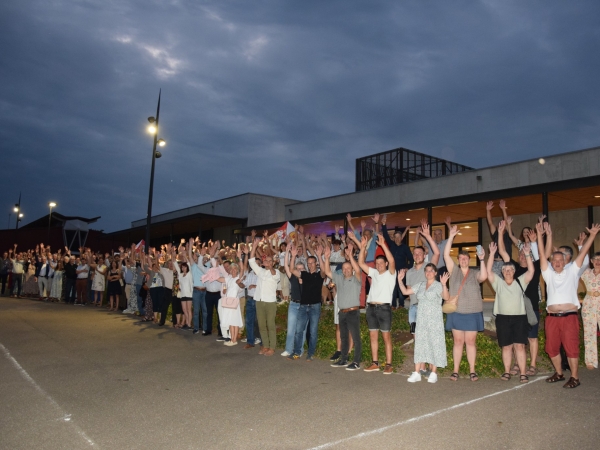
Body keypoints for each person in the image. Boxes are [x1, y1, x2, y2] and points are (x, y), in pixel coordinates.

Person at [538, 221, 600, 388]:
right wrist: (541, 235)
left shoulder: (572, 271)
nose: (557, 262)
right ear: (551, 262)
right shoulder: (548, 274)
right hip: (552, 318)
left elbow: (584, 253)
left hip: (569, 317)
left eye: (561, 259)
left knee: (571, 347)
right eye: (555, 260)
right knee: (551, 348)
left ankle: (575, 377)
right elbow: (542, 256)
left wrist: (592, 235)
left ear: (566, 261)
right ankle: (559, 373)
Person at [497, 220, 542, 376]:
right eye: (521, 253)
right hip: (518, 310)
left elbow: (541, 254)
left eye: (525, 254)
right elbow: (503, 252)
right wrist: (501, 233)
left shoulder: (534, 268)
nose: (522, 256)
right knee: (519, 339)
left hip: (532, 307)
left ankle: (533, 364)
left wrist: (538, 240)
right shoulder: (513, 269)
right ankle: (517, 363)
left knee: (532, 338)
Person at [487, 239, 535, 383]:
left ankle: (522, 373)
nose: (507, 272)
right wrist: (491, 254)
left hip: (519, 318)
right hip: (502, 318)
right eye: (505, 270)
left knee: (519, 346)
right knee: (506, 346)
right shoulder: (498, 283)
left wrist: (527, 255)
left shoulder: (521, 281)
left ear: (514, 272)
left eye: (510, 270)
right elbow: (488, 271)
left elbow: (531, 270)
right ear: (502, 272)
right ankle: (507, 372)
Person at [444, 225, 488, 382]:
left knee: (470, 342)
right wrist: (451, 237)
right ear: (458, 260)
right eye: (461, 258)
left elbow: (484, 276)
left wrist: (482, 259)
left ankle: (472, 370)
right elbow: (445, 255)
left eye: (466, 258)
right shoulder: (454, 271)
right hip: (457, 311)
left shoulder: (475, 273)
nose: (463, 260)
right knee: (457, 342)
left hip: (472, 312)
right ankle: (455, 371)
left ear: (470, 260)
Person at [398, 266, 450, 383]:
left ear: (435, 273)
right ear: (425, 273)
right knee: (420, 344)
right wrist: (400, 281)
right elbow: (405, 291)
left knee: (434, 344)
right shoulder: (421, 285)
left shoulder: (438, 285)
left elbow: (446, 297)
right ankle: (416, 372)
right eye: (427, 271)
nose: (429, 273)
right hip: (421, 320)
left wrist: (444, 284)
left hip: (434, 320)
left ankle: (434, 373)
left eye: (432, 270)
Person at [356, 232, 396, 374]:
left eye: (381, 263)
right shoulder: (373, 272)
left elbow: (392, 261)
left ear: (385, 264)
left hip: (384, 308)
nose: (378, 265)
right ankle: (375, 363)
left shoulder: (391, 274)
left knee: (386, 336)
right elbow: (361, 263)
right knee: (373, 335)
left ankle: (389, 364)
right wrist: (362, 248)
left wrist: (383, 245)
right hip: (371, 307)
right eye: (377, 263)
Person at [322, 243, 362, 370]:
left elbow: (359, 270)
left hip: (353, 312)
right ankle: (344, 359)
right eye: (344, 268)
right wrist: (327, 257)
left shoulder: (356, 279)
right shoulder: (339, 279)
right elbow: (328, 271)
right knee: (344, 337)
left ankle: (356, 362)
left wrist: (350, 256)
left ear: (352, 269)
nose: (346, 270)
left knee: (355, 337)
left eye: (348, 268)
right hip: (342, 312)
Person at [287, 242, 325, 362]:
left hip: (315, 306)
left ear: (316, 264)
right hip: (303, 306)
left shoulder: (319, 275)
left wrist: (319, 256)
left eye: (312, 263)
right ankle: (297, 352)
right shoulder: (304, 274)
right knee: (299, 331)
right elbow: (292, 269)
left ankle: (310, 354)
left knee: (313, 332)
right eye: (308, 263)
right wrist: (293, 256)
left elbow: (324, 270)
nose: (310, 265)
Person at [405, 220, 440, 335]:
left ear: (424, 255)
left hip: (427, 307)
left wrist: (428, 236)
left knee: (428, 335)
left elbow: (437, 253)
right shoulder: (409, 272)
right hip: (414, 308)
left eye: (420, 253)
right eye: (415, 254)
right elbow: (409, 292)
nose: (417, 255)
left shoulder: (428, 266)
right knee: (416, 336)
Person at [249, 235, 280, 356]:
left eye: (269, 261)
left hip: (270, 302)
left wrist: (270, 266)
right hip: (259, 301)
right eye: (265, 260)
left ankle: (272, 347)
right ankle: (265, 345)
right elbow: (251, 261)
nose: (267, 262)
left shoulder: (276, 272)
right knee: (261, 325)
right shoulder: (260, 271)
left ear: (273, 262)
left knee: (270, 325)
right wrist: (254, 246)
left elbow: (274, 275)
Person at [380, 213, 414, 309]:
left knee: (400, 288)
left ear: (401, 238)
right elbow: (386, 235)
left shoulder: (405, 247)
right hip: (392, 270)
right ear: (394, 238)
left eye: (399, 237)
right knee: (393, 288)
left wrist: (408, 267)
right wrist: (383, 224)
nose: (398, 238)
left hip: (401, 271)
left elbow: (411, 259)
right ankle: (393, 305)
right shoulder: (391, 245)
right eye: (396, 237)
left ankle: (402, 305)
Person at [282, 248, 307, 357]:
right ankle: (288, 349)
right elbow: (287, 266)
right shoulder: (292, 277)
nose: (300, 270)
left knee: (302, 330)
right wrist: (289, 254)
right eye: (298, 268)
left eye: (302, 268)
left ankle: (299, 350)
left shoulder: (308, 278)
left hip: (304, 306)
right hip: (293, 304)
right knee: (291, 329)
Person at [217, 261, 244, 346]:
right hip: (228, 302)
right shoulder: (228, 279)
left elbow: (242, 285)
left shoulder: (238, 278)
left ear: (237, 270)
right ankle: (232, 339)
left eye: (235, 269)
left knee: (234, 321)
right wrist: (211, 273)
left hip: (234, 302)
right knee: (231, 321)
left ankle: (234, 340)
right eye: (231, 269)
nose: (233, 270)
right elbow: (218, 279)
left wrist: (240, 259)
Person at [581, 252, 600, 370]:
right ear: (592, 261)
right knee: (589, 333)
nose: (598, 261)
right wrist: (581, 247)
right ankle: (591, 360)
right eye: (595, 259)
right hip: (589, 304)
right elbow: (580, 264)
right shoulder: (586, 273)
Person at [485, 200, 512, 278]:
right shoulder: (496, 234)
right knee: (497, 286)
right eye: (500, 224)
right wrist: (488, 210)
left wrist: (503, 209)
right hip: (495, 262)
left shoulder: (509, 235)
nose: (501, 225)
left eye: (503, 224)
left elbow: (506, 222)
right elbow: (490, 222)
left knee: (506, 283)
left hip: (505, 262)